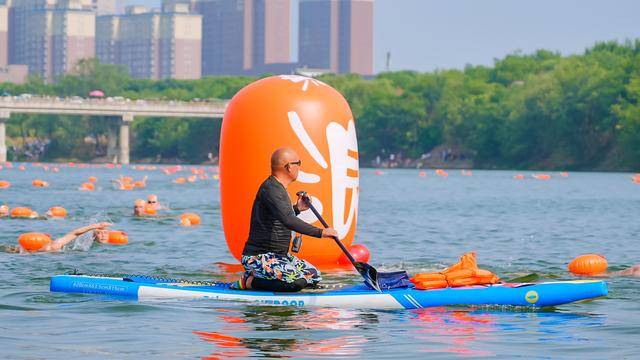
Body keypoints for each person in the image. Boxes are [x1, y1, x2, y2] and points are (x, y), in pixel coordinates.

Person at [235, 147, 338, 292]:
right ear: (289, 167)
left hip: (280, 257)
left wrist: (297, 208)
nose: (299, 168)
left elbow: (280, 216)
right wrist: (321, 233)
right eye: (298, 163)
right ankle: (249, 281)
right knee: (296, 283)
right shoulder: (270, 189)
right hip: (258, 257)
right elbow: (287, 220)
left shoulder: (279, 189)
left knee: (313, 276)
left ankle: (266, 279)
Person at [7, 222, 112, 253]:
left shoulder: (48, 248)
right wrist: (94, 226)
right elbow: (75, 233)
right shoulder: (53, 246)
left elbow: (75, 234)